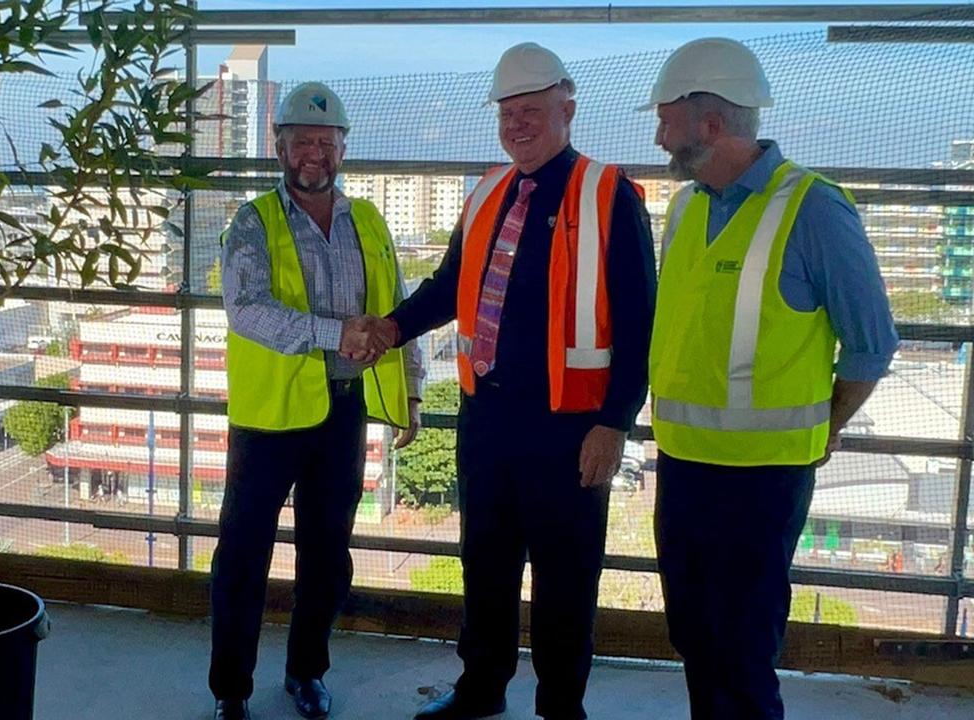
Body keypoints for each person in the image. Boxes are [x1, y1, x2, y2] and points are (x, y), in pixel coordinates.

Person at [367, 43, 656, 720]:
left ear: (567, 109)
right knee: (486, 568)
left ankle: (561, 707)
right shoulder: (488, 191)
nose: (517, 124)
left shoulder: (608, 194)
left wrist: (614, 424)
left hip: (571, 430)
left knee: (566, 580)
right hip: (487, 421)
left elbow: (642, 324)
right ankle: (481, 691)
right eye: (508, 112)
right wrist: (390, 327)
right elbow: (448, 288)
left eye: (532, 110)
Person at [641, 37, 898, 719]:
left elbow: (871, 344)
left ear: (711, 124)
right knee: (693, 638)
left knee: (743, 652)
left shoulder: (814, 208)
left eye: (667, 120)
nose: (659, 135)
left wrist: (825, 425)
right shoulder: (689, 207)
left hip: (763, 478)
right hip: (684, 465)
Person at [209, 81, 425, 720]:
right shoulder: (253, 222)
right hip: (269, 419)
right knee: (243, 557)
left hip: (343, 413)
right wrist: (337, 333)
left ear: (342, 149)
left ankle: (307, 672)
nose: (315, 154)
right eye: (302, 141)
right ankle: (232, 691)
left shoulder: (369, 223)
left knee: (327, 559)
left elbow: (397, 309)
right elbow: (246, 311)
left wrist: (410, 389)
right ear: (279, 147)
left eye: (326, 143)